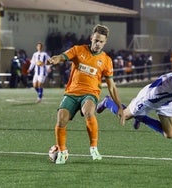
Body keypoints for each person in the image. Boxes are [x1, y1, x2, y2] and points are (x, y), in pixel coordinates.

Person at [48, 24, 125, 164]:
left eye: (101, 41)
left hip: (90, 93)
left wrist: (119, 106)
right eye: (96, 40)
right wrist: (56, 59)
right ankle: (62, 151)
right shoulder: (78, 50)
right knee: (61, 118)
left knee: (89, 111)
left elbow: (112, 87)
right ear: (91, 38)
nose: (98, 44)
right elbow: (63, 56)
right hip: (72, 92)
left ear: (105, 42)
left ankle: (93, 148)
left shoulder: (106, 60)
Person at [97, 59, 172, 139]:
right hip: (152, 97)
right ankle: (107, 101)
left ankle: (141, 117)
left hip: (167, 101)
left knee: (169, 134)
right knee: (124, 115)